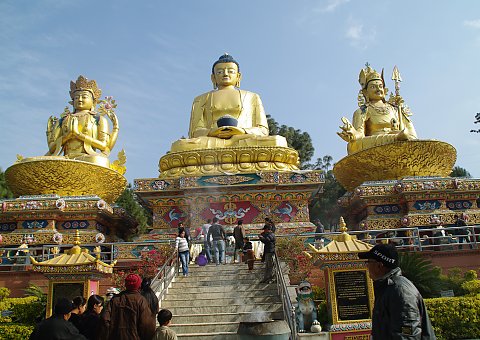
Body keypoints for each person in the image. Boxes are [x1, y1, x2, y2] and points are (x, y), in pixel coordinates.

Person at [170, 54, 288, 153]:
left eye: (230, 71)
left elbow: (262, 130)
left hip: (243, 140)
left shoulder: (252, 96)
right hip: (212, 142)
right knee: (180, 146)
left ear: (238, 76)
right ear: (213, 78)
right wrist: (212, 132)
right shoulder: (201, 98)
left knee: (278, 142)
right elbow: (195, 132)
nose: (225, 74)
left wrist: (242, 131)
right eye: (220, 71)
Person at [359, 244, 436, 339]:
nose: (366, 266)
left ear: (379, 265)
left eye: (368, 262)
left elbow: (408, 333)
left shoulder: (400, 291)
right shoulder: (387, 288)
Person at [338, 65, 417, 155]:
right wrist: (353, 134)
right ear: (365, 92)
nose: (378, 89)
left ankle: (397, 138)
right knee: (354, 144)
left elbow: (412, 135)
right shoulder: (362, 111)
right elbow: (359, 135)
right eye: (373, 87)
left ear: (384, 90)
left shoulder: (395, 109)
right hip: (374, 144)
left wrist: (403, 133)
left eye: (380, 86)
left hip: (400, 141)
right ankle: (395, 138)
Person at [45, 75, 119, 168]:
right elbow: (52, 148)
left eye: (84, 97)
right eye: (76, 98)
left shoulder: (99, 119)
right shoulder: (63, 120)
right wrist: (67, 137)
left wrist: (79, 135)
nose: (79, 99)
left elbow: (104, 146)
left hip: (87, 157)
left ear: (93, 101)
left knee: (100, 161)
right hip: (65, 157)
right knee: (39, 161)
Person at [99, 273, 156, 340]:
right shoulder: (141, 301)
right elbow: (147, 325)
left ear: (126, 284)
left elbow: (105, 319)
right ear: (138, 285)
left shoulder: (115, 300)